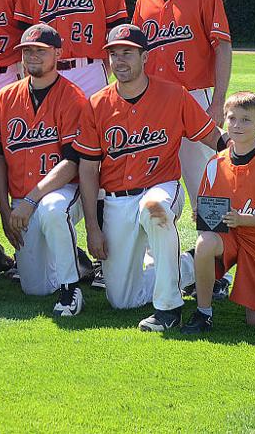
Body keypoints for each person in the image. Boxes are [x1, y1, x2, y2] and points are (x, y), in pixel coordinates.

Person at [79, 24, 226, 332]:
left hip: (161, 186)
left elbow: (211, 137)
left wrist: (248, 149)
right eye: (114, 54)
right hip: (117, 199)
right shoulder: (96, 104)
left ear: (144, 57)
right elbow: (89, 170)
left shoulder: (174, 95)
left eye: (127, 53)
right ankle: (191, 265)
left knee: (155, 210)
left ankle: (169, 309)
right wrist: (92, 227)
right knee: (122, 299)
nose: (120, 61)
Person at [0, 24, 102, 317]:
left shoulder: (73, 98)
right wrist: (5, 212)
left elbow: (72, 162)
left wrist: (31, 200)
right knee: (35, 288)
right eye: (28, 51)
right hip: (21, 197)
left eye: (40, 51)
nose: (33, 56)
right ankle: (73, 259)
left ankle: (70, 288)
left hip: (63, 190)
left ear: (58, 53)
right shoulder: (5, 97)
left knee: (53, 209)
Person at [133, 0, 232, 207]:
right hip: (152, 102)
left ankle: (212, 247)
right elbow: (137, 53)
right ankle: (156, 248)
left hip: (194, 97)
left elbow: (223, 47)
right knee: (150, 183)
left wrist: (218, 102)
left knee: (204, 179)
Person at [182, 92, 255, 334]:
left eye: (246, 120)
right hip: (229, 238)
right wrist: (201, 214)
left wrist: (243, 219)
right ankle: (204, 312)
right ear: (224, 120)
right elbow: (209, 211)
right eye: (232, 118)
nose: (237, 125)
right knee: (204, 242)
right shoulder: (215, 163)